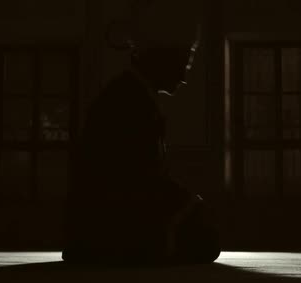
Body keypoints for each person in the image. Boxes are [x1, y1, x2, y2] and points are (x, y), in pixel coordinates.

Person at [62, 1, 219, 265]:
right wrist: (190, 203)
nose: (184, 76)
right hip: (105, 230)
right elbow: (138, 184)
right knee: (204, 241)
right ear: (162, 58)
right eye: (185, 63)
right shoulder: (130, 103)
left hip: (99, 227)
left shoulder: (129, 95)